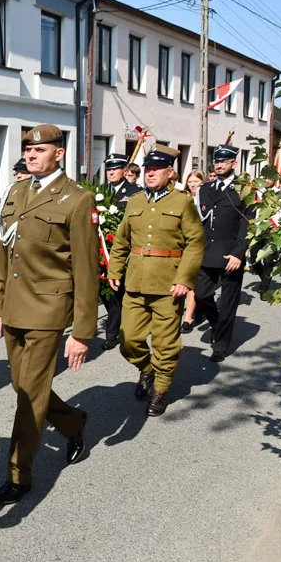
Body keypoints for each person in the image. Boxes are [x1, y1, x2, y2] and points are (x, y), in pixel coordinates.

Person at [0, 124, 99, 504]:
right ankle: (71, 421)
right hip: (14, 307)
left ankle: (19, 473)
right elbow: (2, 253)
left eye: (39, 150)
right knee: (24, 386)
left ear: (59, 153)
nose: (31, 155)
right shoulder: (16, 192)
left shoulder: (76, 199)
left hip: (48, 310)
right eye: (28, 150)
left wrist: (82, 332)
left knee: (29, 395)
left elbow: (86, 269)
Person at [107, 145, 204, 417]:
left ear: (170, 172)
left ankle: (160, 389)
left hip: (168, 285)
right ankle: (147, 370)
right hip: (135, 283)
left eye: (156, 169)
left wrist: (185, 279)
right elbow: (122, 240)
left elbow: (195, 243)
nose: (150, 174)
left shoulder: (182, 202)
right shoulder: (135, 201)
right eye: (147, 169)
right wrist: (115, 271)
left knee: (165, 343)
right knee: (128, 340)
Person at [193, 145, 250, 362]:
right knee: (201, 294)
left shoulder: (244, 189)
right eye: (216, 161)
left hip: (231, 254)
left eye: (224, 162)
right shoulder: (205, 189)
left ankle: (221, 344)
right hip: (208, 252)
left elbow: (248, 224)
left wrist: (239, 253)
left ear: (234, 164)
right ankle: (217, 323)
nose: (218, 165)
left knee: (228, 301)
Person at [99, 153, 143, 350]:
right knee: (105, 291)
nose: (111, 173)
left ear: (124, 171)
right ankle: (117, 321)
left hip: (124, 251)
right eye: (108, 169)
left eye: (114, 169)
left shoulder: (135, 192)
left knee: (118, 290)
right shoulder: (100, 191)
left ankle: (112, 332)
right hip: (101, 250)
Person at [0, 158, 32, 286]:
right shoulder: (9, 194)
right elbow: (0, 235)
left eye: (23, 172)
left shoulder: (37, 198)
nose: (19, 176)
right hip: (7, 262)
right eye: (16, 173)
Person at [180, 170, 205, 334]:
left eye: (196, 181)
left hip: (202, 244)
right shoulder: (183, 199)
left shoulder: (207, 199)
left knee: (193, 283)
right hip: (183, 244)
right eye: (190, 182)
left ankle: (188, 318)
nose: (193, 184)